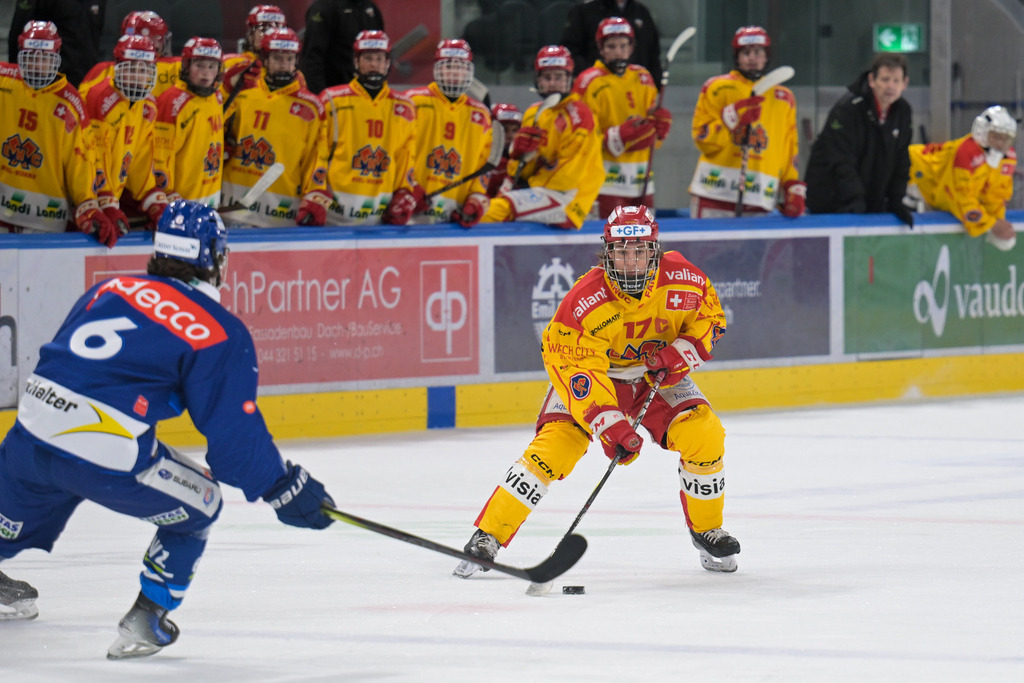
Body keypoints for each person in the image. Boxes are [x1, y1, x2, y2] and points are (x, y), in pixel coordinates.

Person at [0, 200, 336, 657]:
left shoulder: (110, 288)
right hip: (103, 451)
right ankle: (148, 616)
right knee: (203, 501)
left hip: (30, 433)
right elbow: (234, 441)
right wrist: (283, 487)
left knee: (15, 511)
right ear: (215, 258)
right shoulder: (219, 329)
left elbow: (66, 364)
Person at [452, 205, 740, 578]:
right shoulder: (585, 299)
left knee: (704, 432)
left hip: (655, 378)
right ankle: (488, 535)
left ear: (653, 250)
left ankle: (707, 530)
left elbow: (710, 319)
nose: (631, 261)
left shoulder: (685, 279)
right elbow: (577, 370)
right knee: (555, 448)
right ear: (607, 253)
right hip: (597, 380)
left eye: (639, 251)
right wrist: (610, 425)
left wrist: (681, 351)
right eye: (621, 251)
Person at [0, 20, 116, 244]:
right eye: (31, 57)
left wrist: (88, 205)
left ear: (55, 59)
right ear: (20, 56)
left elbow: (82, 162)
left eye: (44, 58)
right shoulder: (4, 82)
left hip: (46, 219)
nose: (37, 65)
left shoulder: (71, 104)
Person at [477, 45, 604, 229]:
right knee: (485, 205)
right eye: (547, 77)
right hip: (540, 189)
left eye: (558, 77)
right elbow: (520, 172)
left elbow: (569, 176)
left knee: (492, 212)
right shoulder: (533, 113)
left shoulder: (580, 115)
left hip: (568, 198)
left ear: (569, 79)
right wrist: (519, 157)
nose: (552, 83)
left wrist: (528, 183)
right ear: (538, 80)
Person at [688, 26, 803, 219]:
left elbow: (789, 147)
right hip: (714, 192)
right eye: (746, 53)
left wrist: (791, 185)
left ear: (766, 57)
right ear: (737, 57)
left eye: (758, 53)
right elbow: (702, 138)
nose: (752, 58)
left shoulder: (784, 98)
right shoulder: (717, 87)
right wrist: (731, 119)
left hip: (761, 195)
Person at [222, 27, 331, 227]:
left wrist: (315, 195)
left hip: (280, 212)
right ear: (264, 59)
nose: (284, 65)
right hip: (230, 205)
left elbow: (317, 158)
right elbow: (213, 127)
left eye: (289, 59)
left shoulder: (311, 107)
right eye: (278, 58)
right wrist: (224, 91)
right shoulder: (243, 92)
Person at [574, 16, 671, 216]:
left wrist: (659, 130)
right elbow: (579, 138)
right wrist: (615, 137)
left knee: (645, 235)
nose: (618, 52)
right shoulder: (588, 82)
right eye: (611, 46)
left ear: (631, 47)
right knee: (612, 235)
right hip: (605, 183)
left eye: (623, 45)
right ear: (601, 49)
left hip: (642, 180)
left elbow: (651, 130)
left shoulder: (643, 77)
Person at [321, 30, 418, 225]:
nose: (374, 64)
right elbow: (318, 153)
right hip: (334, 215)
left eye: (379, 59)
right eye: (368, 58)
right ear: (356, 61)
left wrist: (405, 191)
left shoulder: (404, 106)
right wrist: (314, 191)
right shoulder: (332, 99)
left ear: (388, 63)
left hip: (381, 213)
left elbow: (405, 156)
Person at [805, 54, 913, 225]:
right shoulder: (848, 109)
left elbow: (901, 160)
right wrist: (854, 198)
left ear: (904, 83)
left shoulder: (903, 111)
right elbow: (840, 160)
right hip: (831, 200)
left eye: (896, 81)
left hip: (866, 200)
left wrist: (896, 200)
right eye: (885, 79)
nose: (890, 86)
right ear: (872, 80)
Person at [402, 39, 494, 225]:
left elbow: (484, 163)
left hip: (454, 212)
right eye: (449, 66)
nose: (454, 73)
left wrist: (476, 198)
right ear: (438, 69)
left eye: (460, 67)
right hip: (412, 205)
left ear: (468, 72)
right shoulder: (412, 101)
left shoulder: (481, 114)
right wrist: (407, 186)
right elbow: (397, 149)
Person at [83, 33, 169, 232]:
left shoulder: (148, 105)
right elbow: (93, 157)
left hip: (110, 200)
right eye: (131, 69)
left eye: (144, 70)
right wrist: (105, 200)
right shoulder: (99, 98)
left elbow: (140, 159)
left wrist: (152, 197)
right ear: (117, 68)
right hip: (86, 203)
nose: (137, 77)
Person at [908, 106, 1018, 251]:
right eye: (996, 136)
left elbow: (996, 194)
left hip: (934, 192)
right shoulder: (966, 152)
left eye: (1006, 139)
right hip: (911, 176)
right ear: (982, 131)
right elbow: (959, 198)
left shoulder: (1008, 157)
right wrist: (992, 224)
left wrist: (999, 220)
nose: (1001, 144)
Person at [153, 37, 228, 208]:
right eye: (199, 65)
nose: (206, 73)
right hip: (181, 202)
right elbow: (159, 157)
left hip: (210, 198)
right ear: (186, 67)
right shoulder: (171, 102)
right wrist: (167, 194)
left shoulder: (216, 96)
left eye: (211, 66)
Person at [79, 11, 180, 101]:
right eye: (155, 39)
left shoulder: (103, 69)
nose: (158, 45)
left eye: (160, 39)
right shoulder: (103, 70)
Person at [560, 0, 662, 86]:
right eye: (611, 46)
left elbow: (653, 55)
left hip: (636, 90)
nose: (618, 52)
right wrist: (592, 76)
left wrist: (655, 84)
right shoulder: (584, 11)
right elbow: (569, 52)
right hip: (597, 89)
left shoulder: (642, 12)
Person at [8, 0, 103, 87]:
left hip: (88, 82)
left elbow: (96, 38)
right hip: (51, 82)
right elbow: (18, 36)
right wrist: (15, 81)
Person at [299, 0, 384, 95]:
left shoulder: (370, 8)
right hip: (333, 92)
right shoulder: (324, 7)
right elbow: (312, 57)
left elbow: (381, 52)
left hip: (365, 93)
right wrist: (320, 95)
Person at [222, 5, 289, 100]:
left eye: (276, 31)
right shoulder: (232, 63)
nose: (269, 36)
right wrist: (226, 87)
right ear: (250, 35)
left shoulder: (294, 74)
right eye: (263, 30)